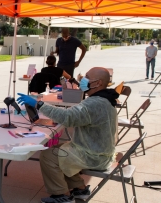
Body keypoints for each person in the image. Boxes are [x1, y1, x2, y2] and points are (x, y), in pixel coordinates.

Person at [17, 67, 118, 203]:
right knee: (58, 149)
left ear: (98, 83)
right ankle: (79, 188)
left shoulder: (95, 103)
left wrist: (39, 104)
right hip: (99, 151)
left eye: (87, 77)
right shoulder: (104, 99)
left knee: (48, 155)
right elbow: (74, 114)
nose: (83, 79)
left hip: (95, 156)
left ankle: (61, 195)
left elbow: (67, 117)